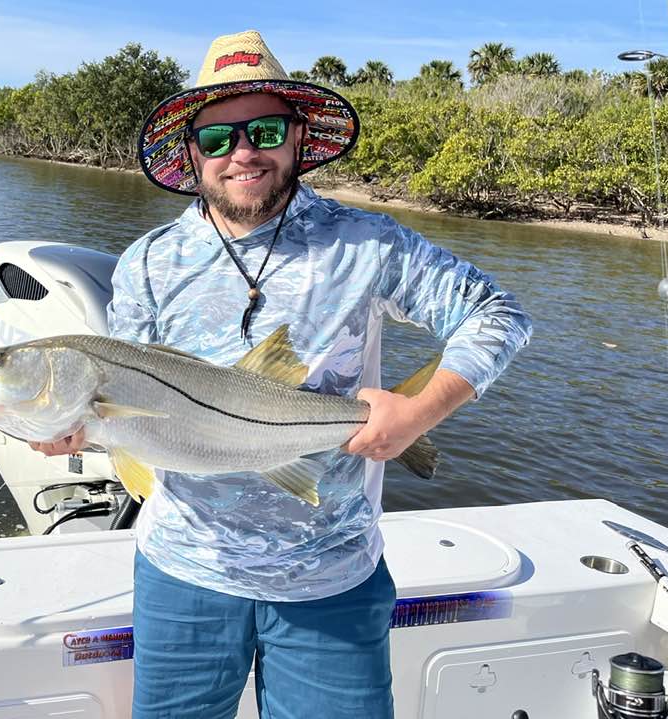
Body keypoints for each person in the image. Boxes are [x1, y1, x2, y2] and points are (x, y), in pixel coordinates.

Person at [32, 30, 532, 719]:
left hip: (333, 579)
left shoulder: (368, 244)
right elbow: (129, 406)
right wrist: (71, 427)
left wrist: (418, 412)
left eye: (263, 130)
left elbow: (497, 313)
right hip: (182, 573)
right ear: (191, 153)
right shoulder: (148, 262)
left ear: (298, 137)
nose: (242, 153)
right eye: (217, 139)